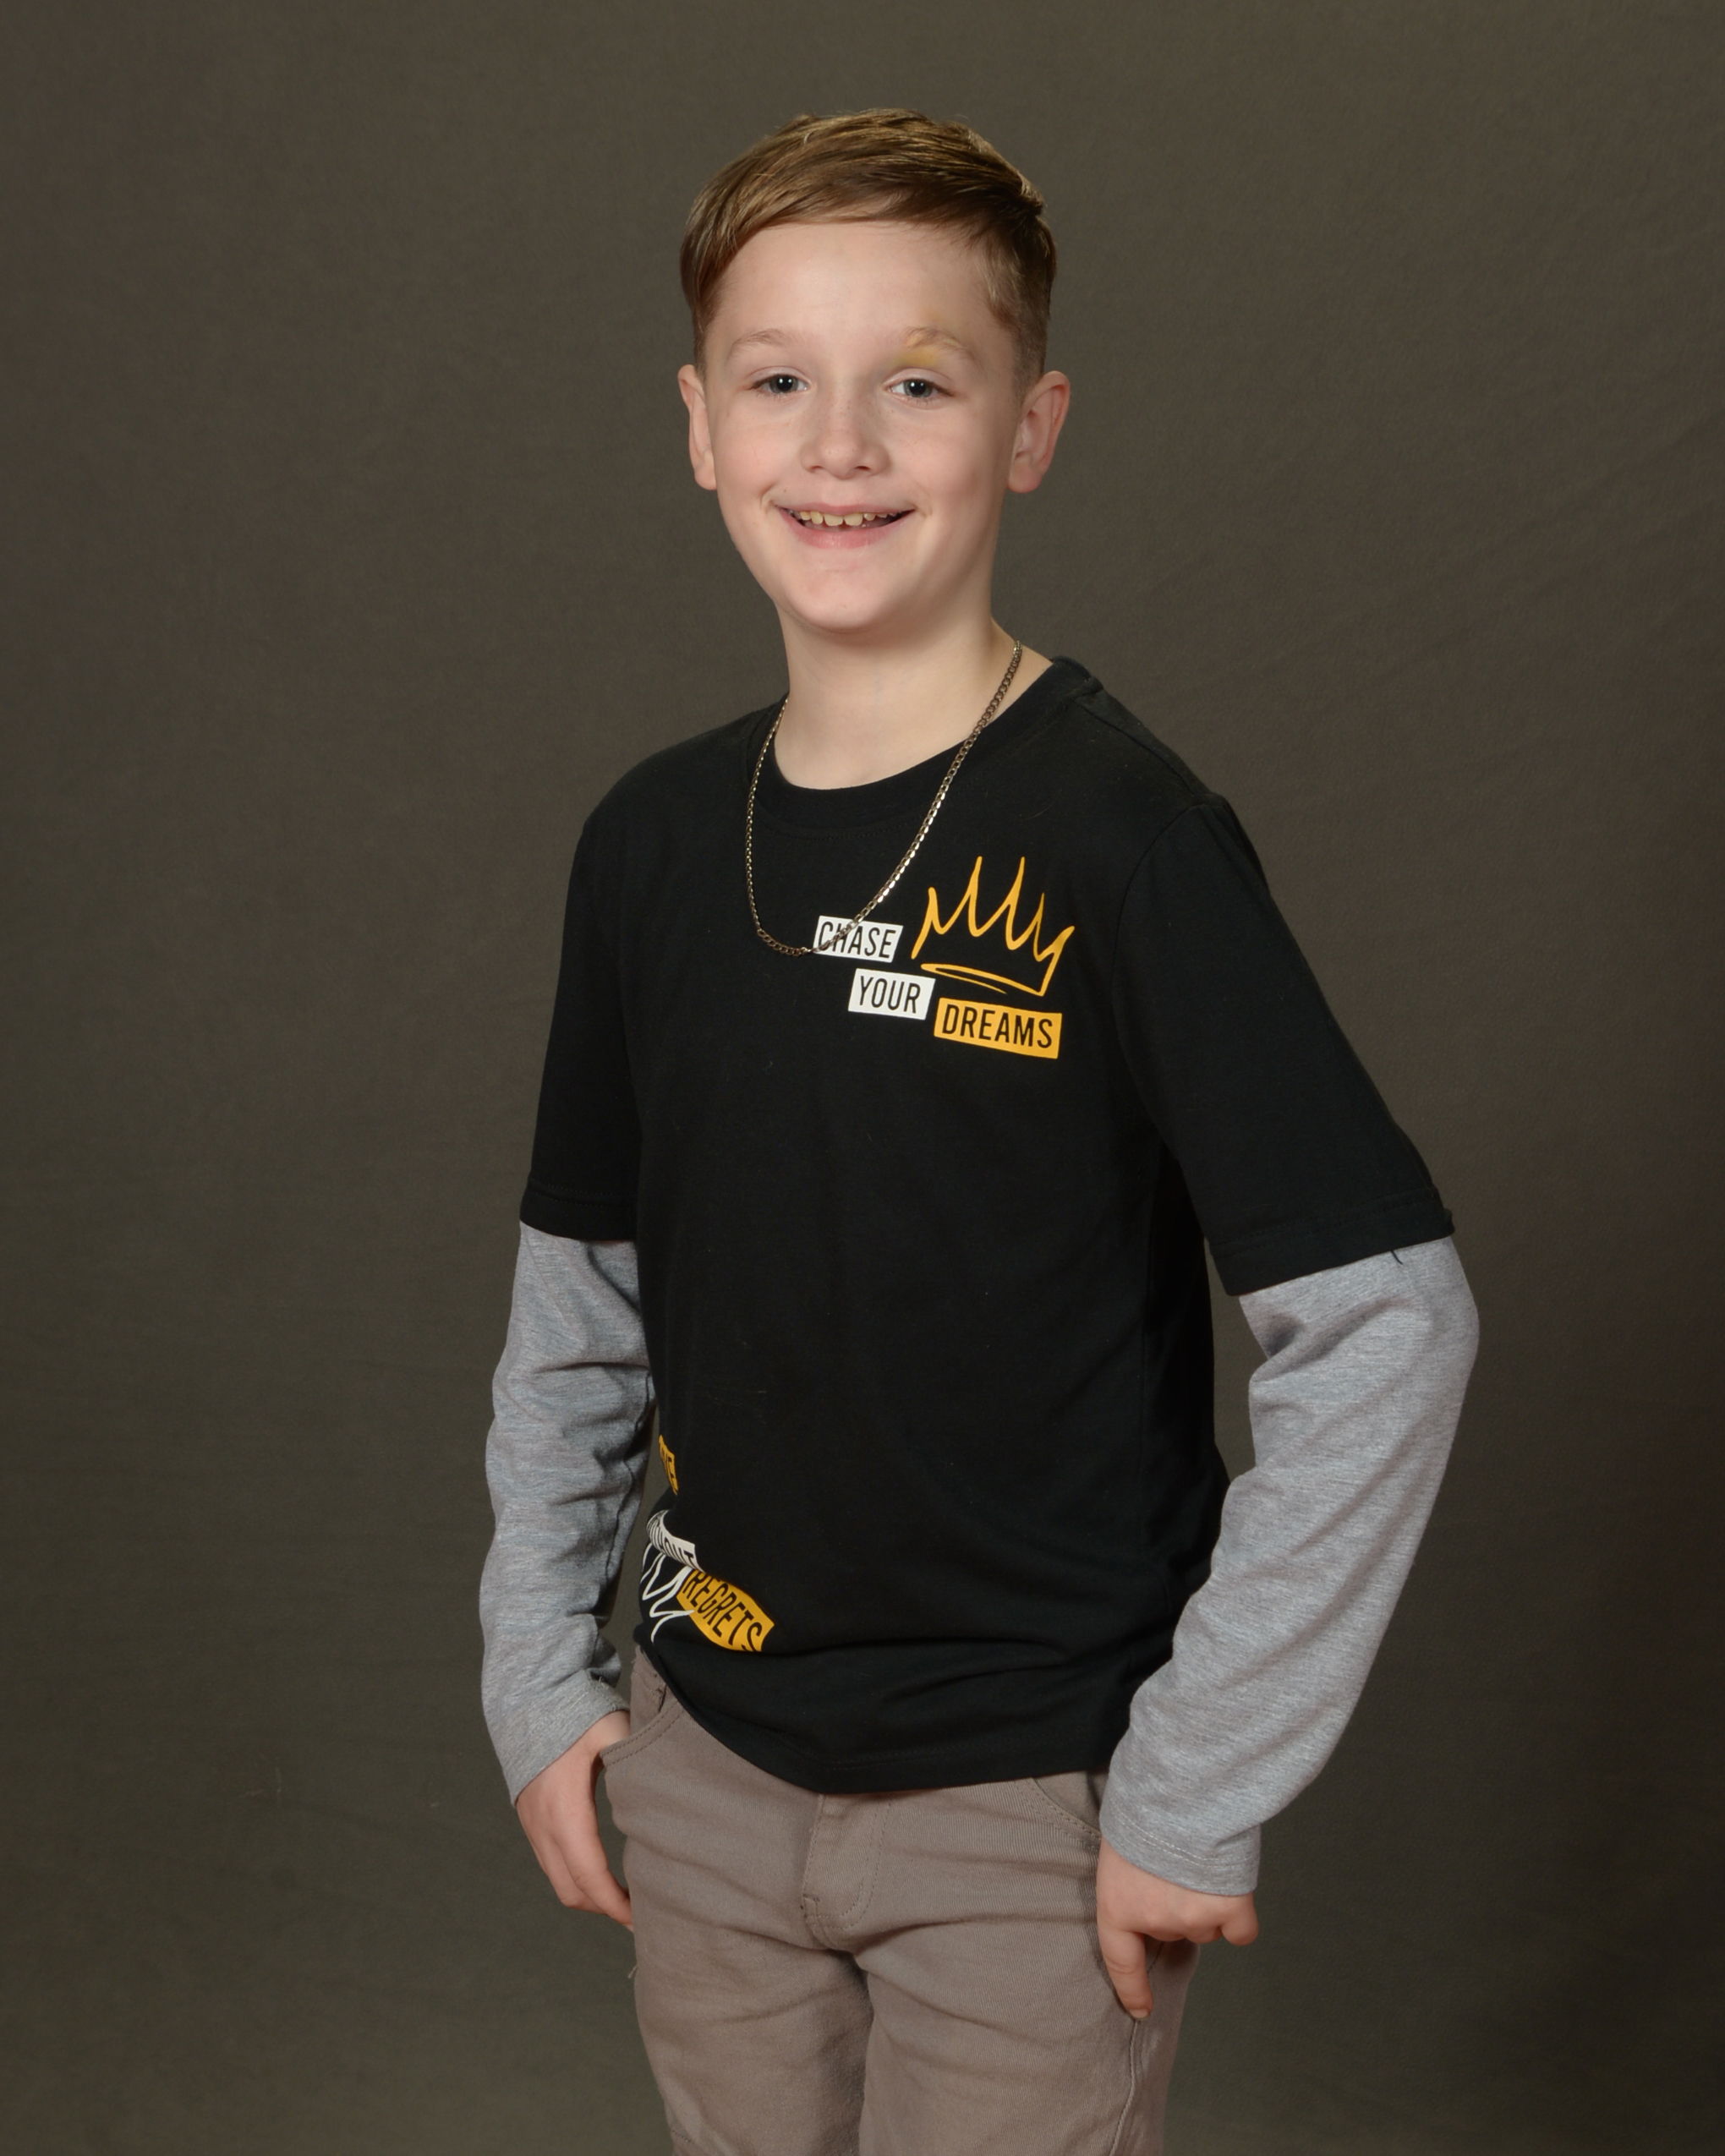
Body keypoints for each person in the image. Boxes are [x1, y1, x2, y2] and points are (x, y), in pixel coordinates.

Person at [479, 108, 1478, 2155]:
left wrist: (1195, 1788)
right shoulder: (649, 844)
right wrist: (535, 1673)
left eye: (919, 385)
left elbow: (1388, 1325)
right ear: (699, 426)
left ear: (1031, 427)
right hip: (703, 1765)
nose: (840, 445)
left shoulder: (1125, 837)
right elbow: (583, 1301)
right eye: (779, 381)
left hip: (1036, 1808)